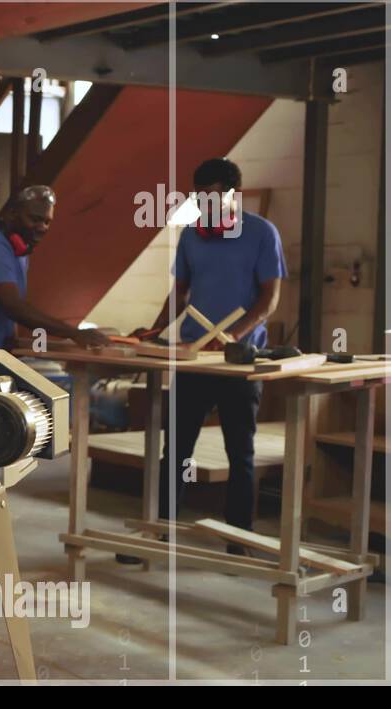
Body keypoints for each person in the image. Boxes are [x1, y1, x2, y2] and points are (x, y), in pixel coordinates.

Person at [0, 185, 111, 575]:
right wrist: (73, 332)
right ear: (11, 212)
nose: (41, 227)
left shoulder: (16, 250)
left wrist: (17, 340)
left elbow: (1, 313)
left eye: (47, 221)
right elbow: (9, 303)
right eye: (34, 218)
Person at [118, 157, 284, 562]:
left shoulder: (262, 233)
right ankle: (159, 534)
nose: (206, 208)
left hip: (238, 362)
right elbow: (180, 292)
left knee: (239, 452)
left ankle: (238, 537)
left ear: (233, 195)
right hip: (194, 360)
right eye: (200, 199)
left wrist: (233, 338)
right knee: (174, 449)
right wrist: (155, 330)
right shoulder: (191, 234)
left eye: (214, 199)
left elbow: (268, 299)